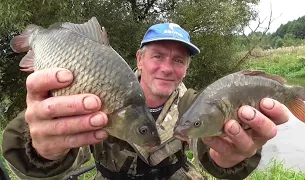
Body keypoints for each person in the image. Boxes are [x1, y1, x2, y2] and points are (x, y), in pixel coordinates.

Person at [2, 22, 289, 180]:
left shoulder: (195, 104)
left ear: (187, 68)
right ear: (139, 58)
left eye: (179, 59)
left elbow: (210, 151)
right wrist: (41, 150)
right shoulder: (100, 89)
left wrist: (230, 158)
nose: (167, 67)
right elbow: (57, 158)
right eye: (158, 56)